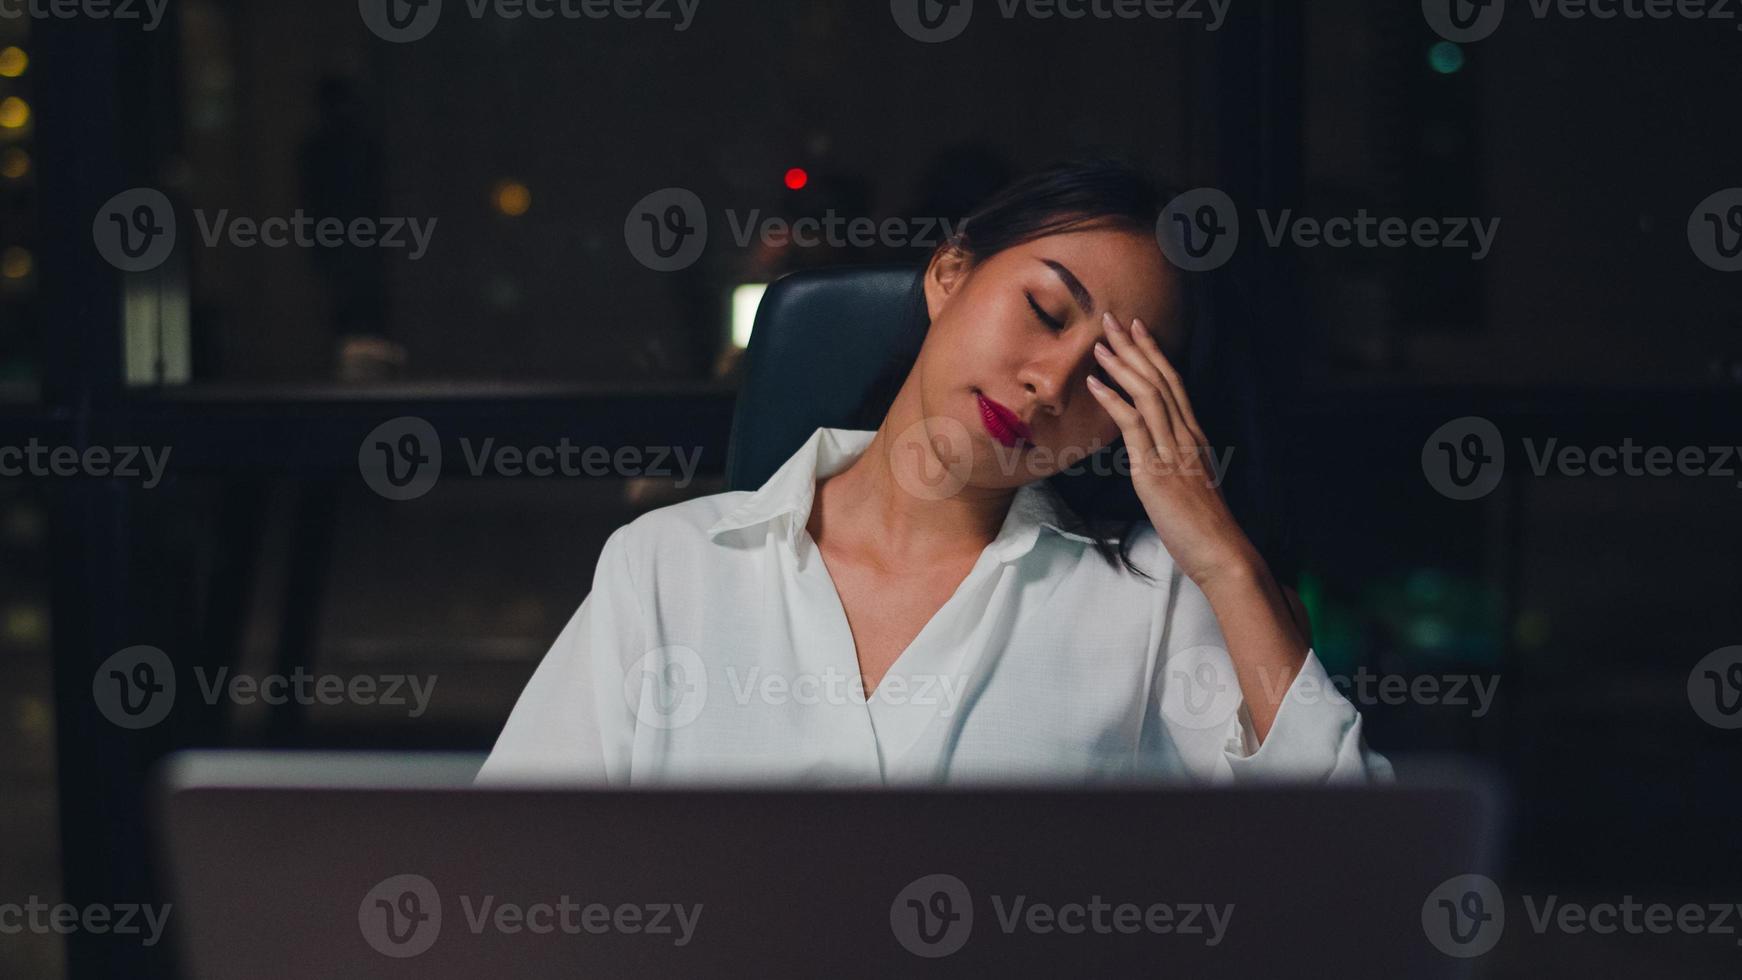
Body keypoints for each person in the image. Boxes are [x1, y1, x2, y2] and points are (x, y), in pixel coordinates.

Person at [478, 160, 1390, 786]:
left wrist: (1225, 560)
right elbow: (505, 873)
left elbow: (1352, 875)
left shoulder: (1147, 600)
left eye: (1110, 377)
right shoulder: (670, 567)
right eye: (1042, 310)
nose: (1050, 381)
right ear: (950, 274)